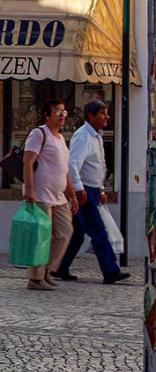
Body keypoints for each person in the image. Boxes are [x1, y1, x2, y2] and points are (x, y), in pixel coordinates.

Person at [53, 100, 130, 285]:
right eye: (103, 113)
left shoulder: (97, 136)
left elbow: (96, 166)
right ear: (91, 116)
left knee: (76, 233)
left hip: (93, 189)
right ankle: (110, 270)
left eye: (106, 113)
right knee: (98, 231)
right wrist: (78, 190)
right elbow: (73, 165)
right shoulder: (83, 136)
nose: (106, 117)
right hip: (84, 190)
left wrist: (101, 188)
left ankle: (59, 267)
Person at [22, 99, 79, 291]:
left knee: (64, 232)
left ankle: (47, 270)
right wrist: (29, 189)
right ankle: (35, 278)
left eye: (64, 112)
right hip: (41, 194)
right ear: (47, 114)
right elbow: (28, 162)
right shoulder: (39, 134)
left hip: (59, 195)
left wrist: (72, 194)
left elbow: (64, 170)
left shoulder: (61, 139)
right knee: (41, 236)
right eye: (57, 111)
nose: (62, 115)